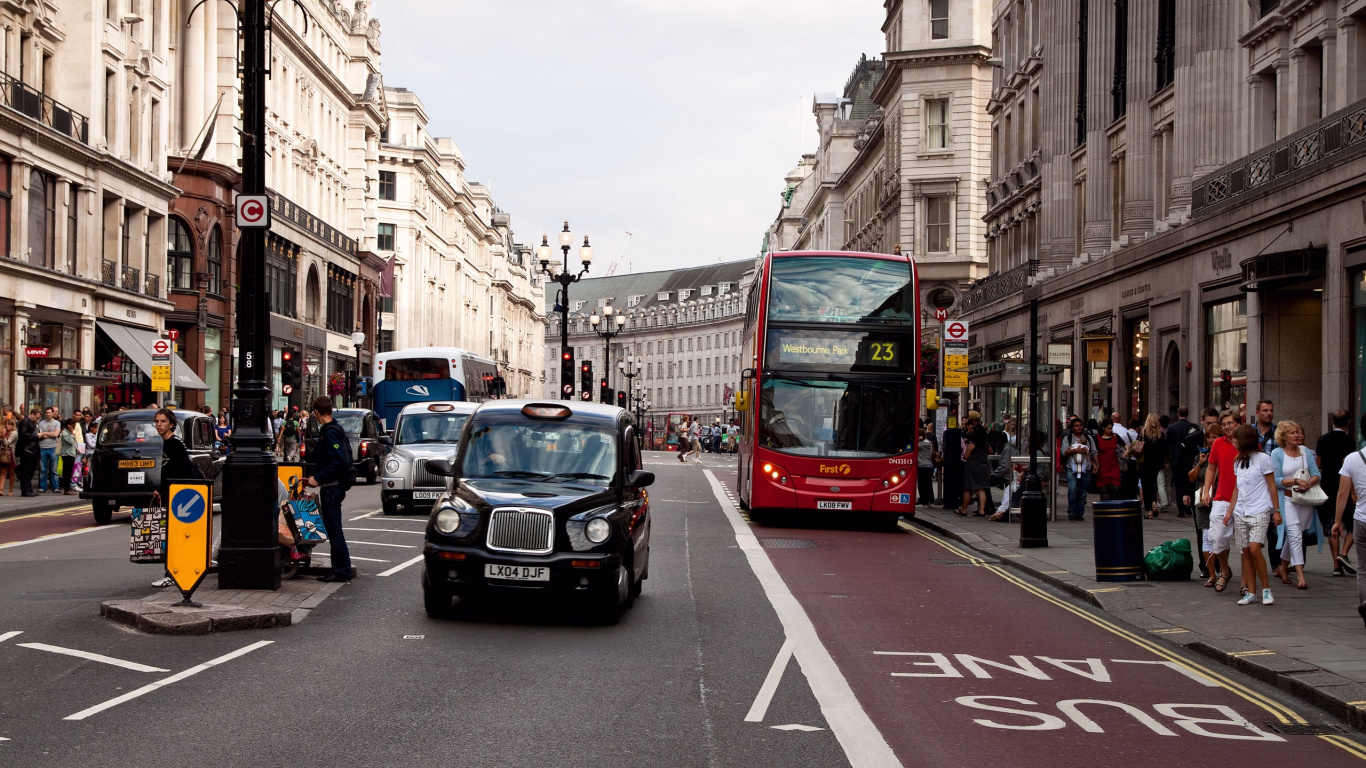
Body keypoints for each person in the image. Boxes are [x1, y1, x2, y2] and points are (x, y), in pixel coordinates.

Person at [1225, 424, 1281, 606]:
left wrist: (1276, 510)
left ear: (1244, 440)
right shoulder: (1237, 462)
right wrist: (1229, 511)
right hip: (1241, 510)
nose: (1232, 441)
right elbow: (1237, 488)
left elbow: (1272, 485)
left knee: (1255, 549)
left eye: (1235, 438)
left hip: (1260, 509)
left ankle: (1266, 590)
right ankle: (1251, 592)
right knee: (1246, 551)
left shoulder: (1263, 459)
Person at [150, 408, 203, 587]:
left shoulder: (174, 443)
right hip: (176, 494)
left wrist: (162, 489)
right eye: (157, 421)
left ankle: (172, 574)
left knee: (174, 536)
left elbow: (179, 471)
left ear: (172, 424)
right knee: (174, 535)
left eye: (163, 421)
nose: (159, 425)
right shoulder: (169, 443)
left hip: (179, 496)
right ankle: (174, 572)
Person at [305, 396, 354, 583]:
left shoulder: (331, 432)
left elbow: (339, 460)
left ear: (317, 412)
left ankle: (341, 571)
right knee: (332, 529)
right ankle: (341, 568)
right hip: (333, 487)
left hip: (332, 488)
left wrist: (318, 478)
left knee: (334, 530)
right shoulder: (335, 429)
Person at [1271, 420, 1319, 591]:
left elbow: (1316, 474)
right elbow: (1276, 481)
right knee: (1294, 534)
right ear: (1283, 436)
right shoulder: (1277, 453)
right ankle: (1300, 574)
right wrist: (1296, 480)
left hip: (1305, 500)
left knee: (1296, 535)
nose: (1298, 435)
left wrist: (1308, 483)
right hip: (1288, 499)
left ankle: (1283, 566)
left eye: (1298, 432)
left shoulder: (1305, 451)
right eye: (1293, 432)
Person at [1202, 410, 1242, 595]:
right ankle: (1225, 570)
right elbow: (1211, 467)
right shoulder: (1218, 443)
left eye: (1230, 423)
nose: (1227, 427)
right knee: (1217, 539)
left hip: (1244, 499)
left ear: (1238, 424)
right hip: (1222, 498)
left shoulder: (1246, 442)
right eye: (1224, 424)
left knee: (1246, 545)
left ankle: (1247, 582)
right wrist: (1207, 490)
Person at [1316, 411, 1356, 577]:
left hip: (1327, 486)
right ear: (1349, 423)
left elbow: (1318, 462)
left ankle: (1336, 565)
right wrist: (1353, 492)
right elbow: (1348, 466)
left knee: (1332, 525)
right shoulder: (1350, 442)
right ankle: (1344, 552)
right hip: (1344, 485)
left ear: (1332, 421)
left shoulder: (1322, 439)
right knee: (1353, 525)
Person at [1332, 438, 1366, 628]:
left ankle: (1365, 604)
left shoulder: (1352, 458)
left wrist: (1337, 522)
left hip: (1361, 519)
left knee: (1363, 568)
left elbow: (1342, 493)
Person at [1189, 423, 1224, 588]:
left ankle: (1224, 570)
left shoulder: (1223, 454)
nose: (1210, 440)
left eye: (1214, 437)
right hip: (1203, 502)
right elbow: (1191, 478)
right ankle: (1211, 575)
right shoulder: (1201, 455)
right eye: (1208, 437)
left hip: (1220, 500)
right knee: (1206, 538)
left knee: (1219, 538)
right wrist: (1200, 463)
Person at [1133, 414, 1169, 519]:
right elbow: (1165, 450)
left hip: (1144, 463)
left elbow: (1137, 444)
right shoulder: (1161, 435)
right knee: (1153, 484)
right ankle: (1154, 502)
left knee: (1145, 486)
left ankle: (1149, 510)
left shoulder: (1143, 432)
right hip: (1156, 464)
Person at [1062, 417, 1097, 520]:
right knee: (1072, 489)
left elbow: (1094, 452)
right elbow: (1064, 452)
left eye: (1080, 425)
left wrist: (1097, 464)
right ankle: (1072, 511)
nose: (1078, 428)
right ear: (1072, 428)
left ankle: (1079, 513)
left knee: (1083, 491)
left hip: (1085, 468)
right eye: (1076, 426)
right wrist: (1075, 450)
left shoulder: (1089, 438)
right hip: (1071, 467)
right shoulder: (1068, 438)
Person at [957, 411, 991, 517]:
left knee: (968, 488)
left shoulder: (972, 444)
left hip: (972, 467)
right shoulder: (985, 444)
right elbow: (991, 451)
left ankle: (964, 509)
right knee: (981, 489)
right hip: (983, 466)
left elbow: (965, 457)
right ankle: (981, 510)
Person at [1094, 420, 1122, 501]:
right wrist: (1095, 464)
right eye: (1108, 428)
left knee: (1115, 488)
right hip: (1102, 467)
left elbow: (1126, 446)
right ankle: (1105, 509)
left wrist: (1125, 453)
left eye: (1111, 428)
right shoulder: (1097, 438)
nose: (1110, 430)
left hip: (1114, 466)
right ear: (1103, 428)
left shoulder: (1115, 436)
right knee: (1103, 490)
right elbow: (1094, 451)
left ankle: (1112, 505)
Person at [35, 406, 60, 493]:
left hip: (53, 448)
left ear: (53, 413)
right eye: (46, 413)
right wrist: (50, 434)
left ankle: (55, 487)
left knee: (54, 470)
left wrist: (45, 433)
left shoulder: (57, 423)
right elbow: (40, 435)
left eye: (49, 412)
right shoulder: (41, 423)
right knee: (43, 469)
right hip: (42, 448)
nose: (48, 414)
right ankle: (42, 487)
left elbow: (56, 434)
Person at [916, 424, 938, 506]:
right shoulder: (927, 442)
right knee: (926, 484)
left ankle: (926, 500)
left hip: (924, 466)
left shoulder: (925, 443)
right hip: (926, 466)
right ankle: (927, 499)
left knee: (923, 485)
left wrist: (917, 440)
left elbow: (915, 446)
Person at [57, 418, 78, 494]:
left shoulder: (68, 433)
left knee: (69, 472)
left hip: (71, 454)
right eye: (73, 425)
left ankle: (67, 487)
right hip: (67, 454)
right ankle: (66, 489)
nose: (74, 427)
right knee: (67, 472)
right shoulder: (65, 433)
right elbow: (70, 442)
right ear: (69, 426)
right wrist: (72, 433)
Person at [0, 417, 16, 495]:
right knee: (3, 471)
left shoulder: (14, 433)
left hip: (11, 454)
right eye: (6, 424)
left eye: (9, 424)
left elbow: (7, 443)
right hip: (4, 454)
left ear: (13, 425)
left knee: (11, 472)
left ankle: (11, 490)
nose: (7, 426)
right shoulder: (4, 432)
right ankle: (1, 489)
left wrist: (3, 436)